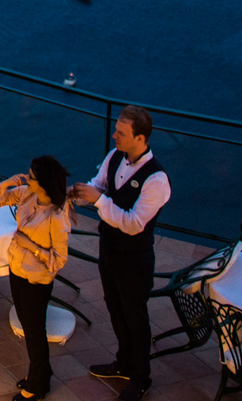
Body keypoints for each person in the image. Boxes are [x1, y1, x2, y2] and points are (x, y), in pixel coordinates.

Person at [73, 105, 171, 401]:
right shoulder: (115, 157)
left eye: (121, 132)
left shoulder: (156, 180)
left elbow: (133, 223)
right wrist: (78, 194)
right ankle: (124, 363)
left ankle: (141, 379)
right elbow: (98, 185)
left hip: (135, 257)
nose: (114, 135)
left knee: (135, 317)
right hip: (110, 249)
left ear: (140, 138)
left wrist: (99, 201)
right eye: (116, 129)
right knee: (115, 307)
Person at [0, 157, 74, 401]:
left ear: (43, 183)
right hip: (17, 270)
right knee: (28, 324)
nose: (26, 178)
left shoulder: (57, 218)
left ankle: (37, 386)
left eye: (31, 176)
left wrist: (31, 246)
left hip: (36, 281)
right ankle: (42, 372)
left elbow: (58, 260)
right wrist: (5, 184)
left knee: (35, 331)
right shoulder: (26, 194)